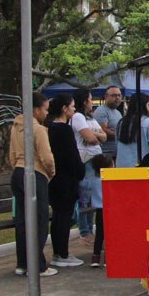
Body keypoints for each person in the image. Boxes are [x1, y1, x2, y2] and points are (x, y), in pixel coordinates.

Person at [10, 92, 57, 277]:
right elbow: (47, 157)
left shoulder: (15, 127)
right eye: (45, 109)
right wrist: (49, 174)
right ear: (36, 110)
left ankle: (22, 263)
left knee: (22, 221)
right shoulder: (38, 129)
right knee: (39, 222)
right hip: (36, 174)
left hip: (18, 173)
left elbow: (12, 155)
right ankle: (38, 266)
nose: (46, 114)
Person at [46, 93, 86, 268]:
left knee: (58, 217)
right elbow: (72, 156)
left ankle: (59, 252)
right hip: (66, 179)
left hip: (54, 179)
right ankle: (62, 253)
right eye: (72, 106)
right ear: (64, 108)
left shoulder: (48, 127)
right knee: (64, 216)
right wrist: (80, 171)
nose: (74, 109)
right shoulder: (63, 129)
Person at [72, 89, 107, 245]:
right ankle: (84, 232)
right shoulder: (78, 117)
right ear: (84, 101)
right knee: (85, 196)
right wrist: (97, 136)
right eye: (90, 99)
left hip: (97, 160)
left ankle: (90, 230)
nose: (92, 102)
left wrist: (97, 136)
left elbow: (103, 137)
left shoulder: (91, 118)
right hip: (87, 160)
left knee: (95, 196)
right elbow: (90, 138)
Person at [116, 93, 149, 167]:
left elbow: (117, 144)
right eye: (148, 105)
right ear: (145, 106)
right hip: (142, 166)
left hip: (121, 165)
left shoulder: (121, 123)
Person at [93, 85, 124, 159]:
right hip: (106, 155)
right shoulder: (101, 111)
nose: (117, 98)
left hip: (117, 153)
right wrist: (121, 136)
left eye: (119, 95)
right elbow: (103, 130)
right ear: (106, 96)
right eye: (114, 95)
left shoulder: (117, 112)